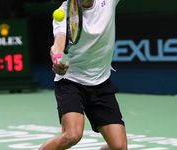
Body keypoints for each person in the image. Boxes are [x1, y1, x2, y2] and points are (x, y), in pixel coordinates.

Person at [39, 0, 127, 149]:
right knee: (71, 135)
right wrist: (57, 59)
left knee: (119, 147)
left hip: (101, 83)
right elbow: (58, 44)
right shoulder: (65, 11)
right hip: (71, 81)